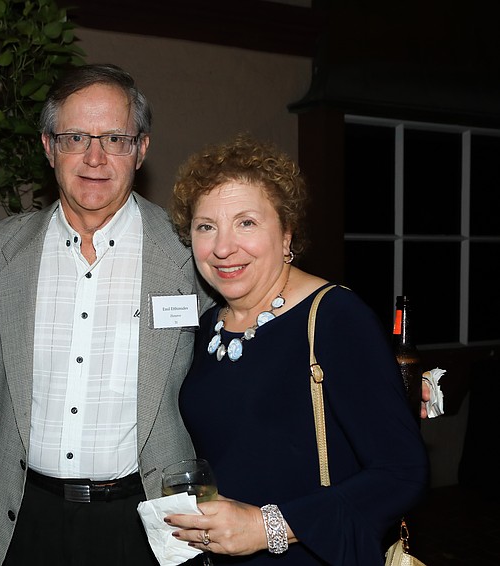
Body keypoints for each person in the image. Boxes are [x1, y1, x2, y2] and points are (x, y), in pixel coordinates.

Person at [0, 63, 212, 566]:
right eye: (76, 137)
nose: (95, 157)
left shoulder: (190, 251)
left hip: (148, 523)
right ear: (49, 147)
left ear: (141, 149)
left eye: (114, 138)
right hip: (21, 519)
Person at [165, 135, 429, 564]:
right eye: (206, 226)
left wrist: (266, 526)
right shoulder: (209, 324)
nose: (223, 247)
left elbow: (402, 473)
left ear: (287, 233)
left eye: (246, 222)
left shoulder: (335, 317)